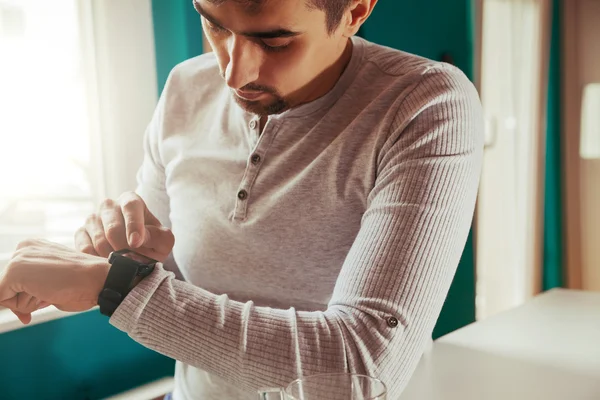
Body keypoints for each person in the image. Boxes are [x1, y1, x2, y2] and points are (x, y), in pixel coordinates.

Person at [0, 0, 484, 398]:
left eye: (273, 40)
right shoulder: (185, 86)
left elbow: (361, 368)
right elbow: (156, 269)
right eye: (213, 24)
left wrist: (116, 287)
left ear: (356, 10)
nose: (233, 73)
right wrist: (112, 248)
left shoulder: (426, 104)